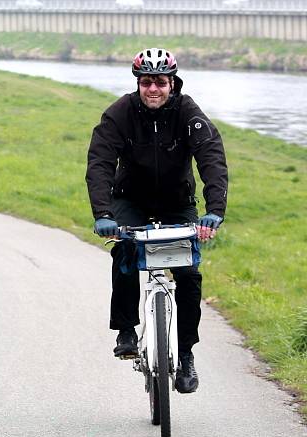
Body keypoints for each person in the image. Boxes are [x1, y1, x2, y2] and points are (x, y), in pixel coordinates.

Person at [86, 48, 228, 394]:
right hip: (130, 200)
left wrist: (214, 210)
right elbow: (100, 163)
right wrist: (103, 214)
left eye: (160, 82)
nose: (153, 89)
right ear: (138, 82)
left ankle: (186, 353)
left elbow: (211, 157)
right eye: (146, 82)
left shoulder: (188, 113)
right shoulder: (119, 113)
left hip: (177, 203)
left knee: (189, 274)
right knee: (124, 254)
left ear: (172, 83)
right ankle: (125, 329)